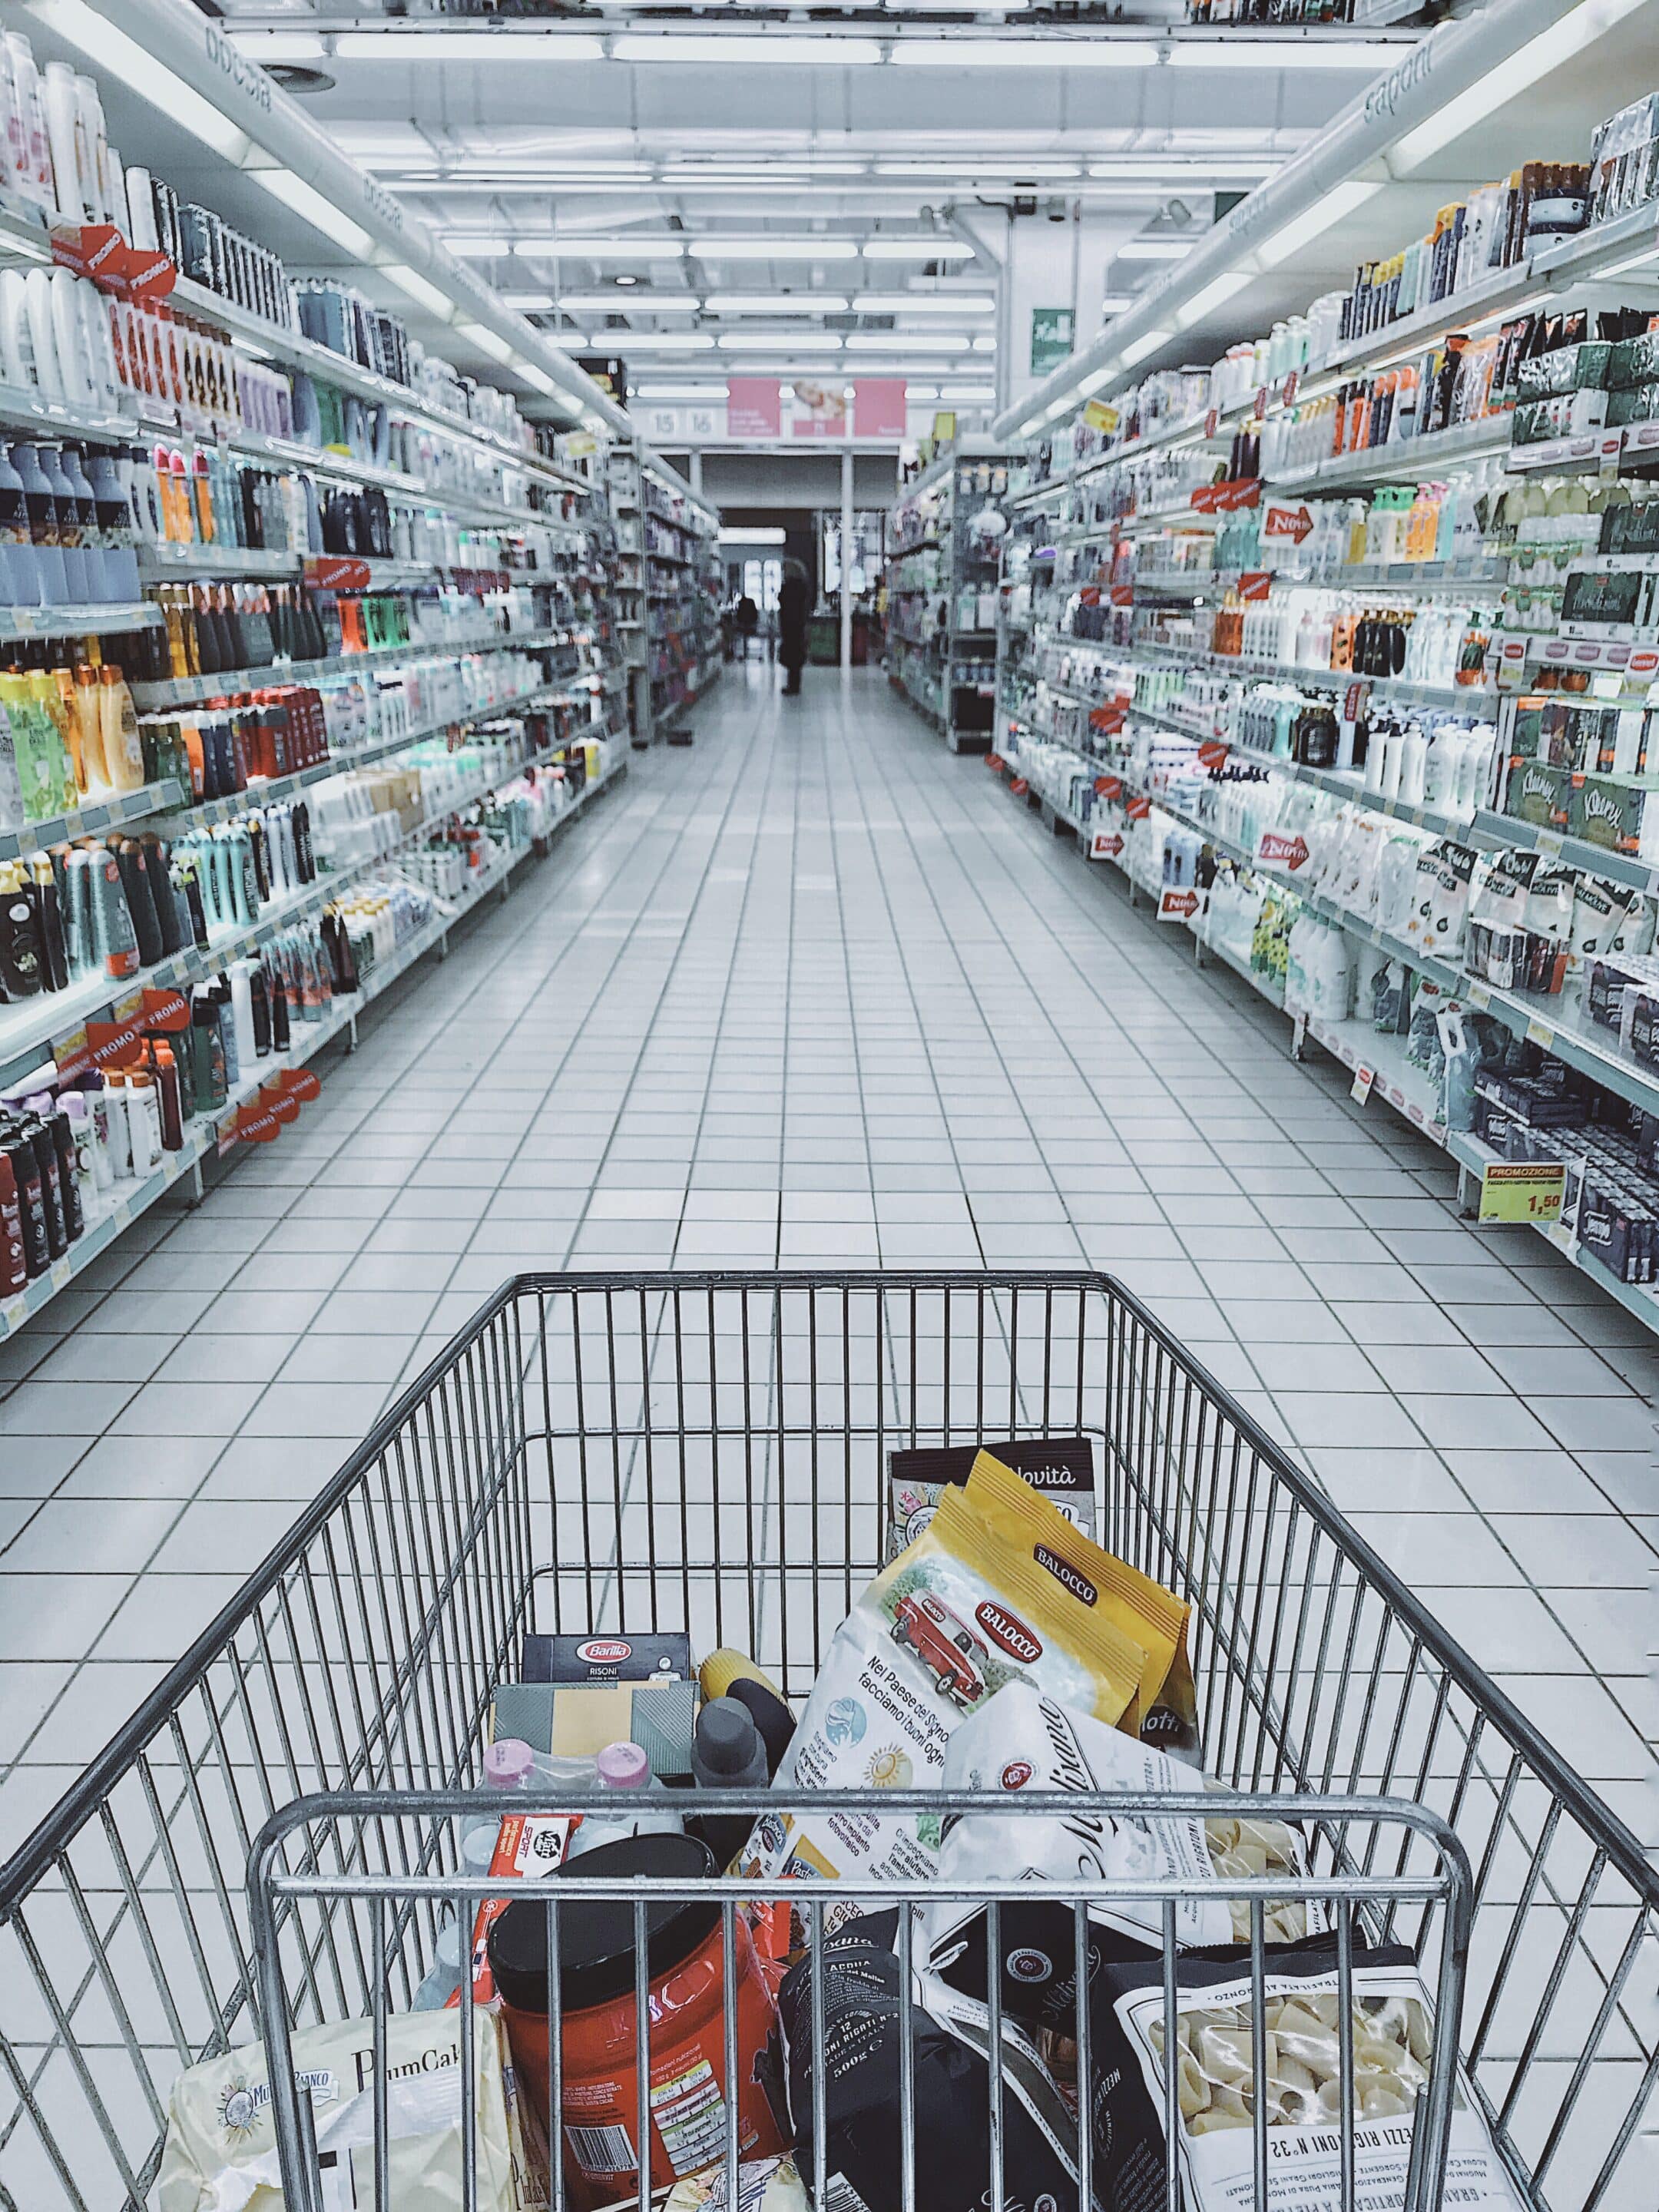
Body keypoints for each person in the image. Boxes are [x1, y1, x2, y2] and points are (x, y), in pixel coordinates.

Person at [777, 558, 810, 696]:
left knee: (792, 656)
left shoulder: (789, 588)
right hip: (798, 626)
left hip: (790, 627)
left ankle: (793, 686)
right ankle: (795, 685)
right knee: (796, 657)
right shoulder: (802, 588)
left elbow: (783, 602)